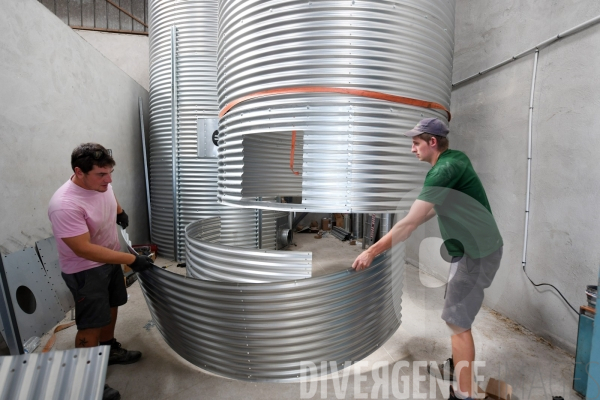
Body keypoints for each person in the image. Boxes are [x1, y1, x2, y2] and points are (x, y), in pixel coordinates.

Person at [352, 118, 503, 400]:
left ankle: (465, 393)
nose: (412, 149)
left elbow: (408, 225)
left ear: (432, 142)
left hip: (475, 255)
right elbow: (435, 207)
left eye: (416, 143)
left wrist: (372, 251)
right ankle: (458, 364)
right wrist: (417, 218)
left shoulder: (442, 171)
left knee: (457, 322)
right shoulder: (456, 158)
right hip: (475, 248)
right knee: (456, 311)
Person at [48, 143, 154, 400]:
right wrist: (132, 259)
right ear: (79, 171)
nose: (109, 180)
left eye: (110, 173)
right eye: (101, 175)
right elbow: (84, 250)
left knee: (112, 306)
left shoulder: (102, 183)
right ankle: (84, 379)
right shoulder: (65, 204)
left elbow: (109, 193)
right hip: (86, 270)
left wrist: (119, 211)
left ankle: (108, 350)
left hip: (109, 261)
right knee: (90, 324)